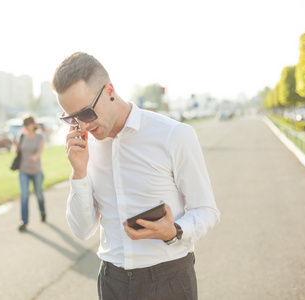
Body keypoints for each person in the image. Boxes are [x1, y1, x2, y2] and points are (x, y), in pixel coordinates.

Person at [52, 52, 220, 300]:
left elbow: (207, 210)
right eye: (72, 118)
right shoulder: (86, 148)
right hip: (112, 281)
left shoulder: (173, 135)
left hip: (169, 280)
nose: (83, 125)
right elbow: (82, 229)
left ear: (110, 90)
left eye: (87, 113)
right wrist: (79, 173)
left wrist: (174, 231)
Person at [16, 116, 46, 231]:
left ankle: (42, 212)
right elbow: (18, 151)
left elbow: (40, 150)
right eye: (25, 124)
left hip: (36, 170)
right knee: (24, 195)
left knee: (38, 193)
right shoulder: (22, 136)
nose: (27, 126)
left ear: (33, 124)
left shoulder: (39, 137)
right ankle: (24, 221)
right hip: (23, 170)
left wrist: (35, 156)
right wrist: (16, 146)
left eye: (29, 124)